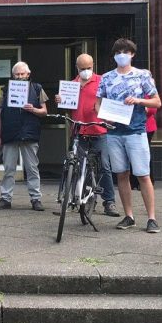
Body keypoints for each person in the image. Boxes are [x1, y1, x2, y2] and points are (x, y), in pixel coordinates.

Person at [96, 38, 162, 233]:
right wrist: (103, 118)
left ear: (132, 54)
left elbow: (157, 102)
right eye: (118, 52)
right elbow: (98, 103)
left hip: (136, 131)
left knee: (142, 174)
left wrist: (139, 101)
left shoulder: (142, 75)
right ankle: (129, 215)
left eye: (125, 52)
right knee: (121, 174)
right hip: (114, 132)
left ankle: (151, 218)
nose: (121, 55)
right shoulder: (106, 77)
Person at [53, 54, 119, 217]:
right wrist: (60, 101)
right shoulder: (72, 85)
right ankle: (78, 199)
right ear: (77, 68)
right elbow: (66, 109)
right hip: (79, 132)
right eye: (83, 69)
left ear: (93, 65)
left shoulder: (102, 81)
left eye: (88, 68)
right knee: (76, 167)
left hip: (99, 131)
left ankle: (109, 202)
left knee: (105, 166)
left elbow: (112, 101)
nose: (86, 72)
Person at [0, 61, 49, 212]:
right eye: (17, 74)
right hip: (10, 133)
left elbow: (44, 112)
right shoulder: (5, 90)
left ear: (28, 74)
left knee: (32, 168)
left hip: (29, 133)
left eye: (22, 74)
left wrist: (33, 109)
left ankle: (36, 199)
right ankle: (5, 198)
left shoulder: (37, 88)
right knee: (9, 168)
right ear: (12, 75)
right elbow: (0, 114)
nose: (19, 76)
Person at [130, 97, 158, 190]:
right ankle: (133, 181)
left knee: (145, 155)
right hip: (130, 126)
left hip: (146, 126)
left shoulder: (147, 84)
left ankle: (148, 180)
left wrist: (145, 108)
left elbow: (153, 108)